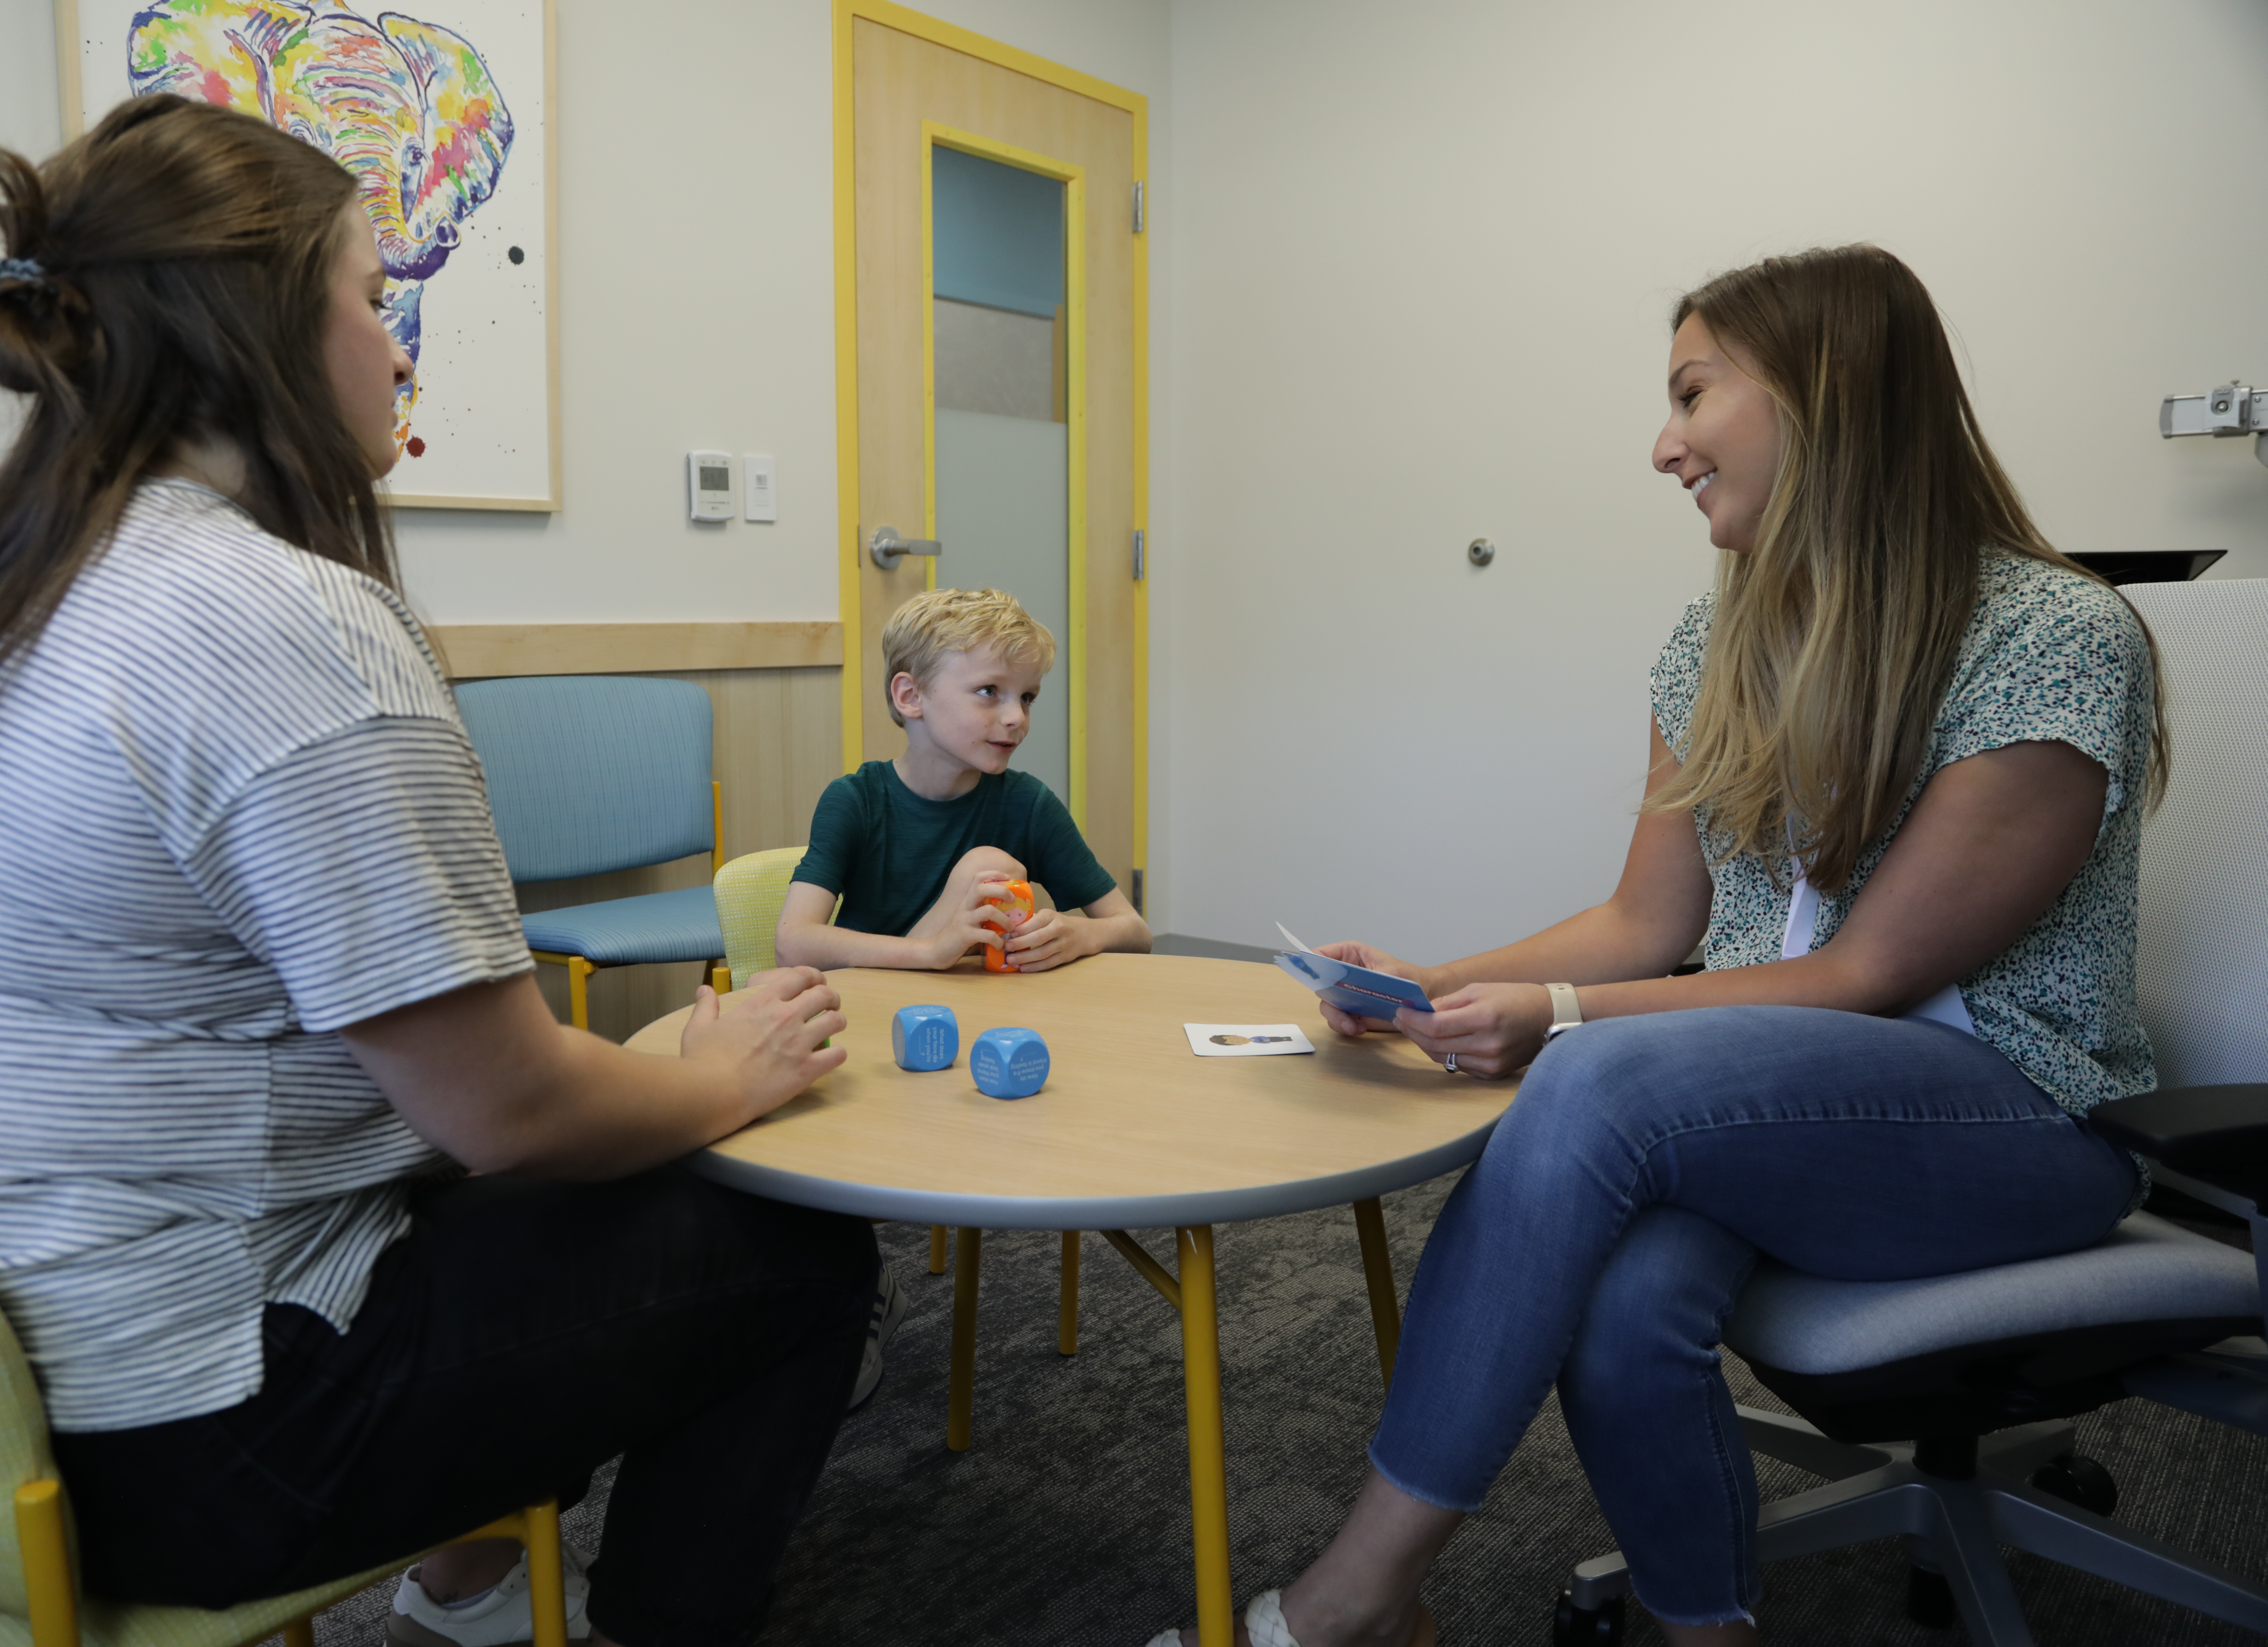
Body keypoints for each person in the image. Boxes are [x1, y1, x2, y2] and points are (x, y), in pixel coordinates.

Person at [0, 96, 873, 1647]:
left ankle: (466, 1586)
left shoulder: (10, 595)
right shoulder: (278, 624)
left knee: (501, 1194)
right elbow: (511, 1110)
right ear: (257, 323)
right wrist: (731, 1067)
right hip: (183, 1429)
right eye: (374, 300)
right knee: (788, 1241)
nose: (400, 349)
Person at [1148, 245, 2164, 1647]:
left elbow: (1865, 979)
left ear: (1827, 392)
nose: (1659, 445)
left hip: (2010, 1116)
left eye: (1691, 394)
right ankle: (1704, 1630)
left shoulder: (2052, 635)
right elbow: (1647, 922)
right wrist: (1424, 983)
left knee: (1587, 1082)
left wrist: (1553, 1019)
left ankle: (1353, 1598)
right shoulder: (1711, 642)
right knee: (1625, 1300)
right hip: (1772, 1112)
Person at [775, 585, 1151, 974]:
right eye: (989, 691)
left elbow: (1135, 931)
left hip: (976, 1014)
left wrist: (1079, 934)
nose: (1017, 718)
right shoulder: (856, 800)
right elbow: (793, 944)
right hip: (869, 1009)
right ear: (911, 696)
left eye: (1027, 697)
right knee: (987, 865)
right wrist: (932, 951)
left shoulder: (1029, 804)